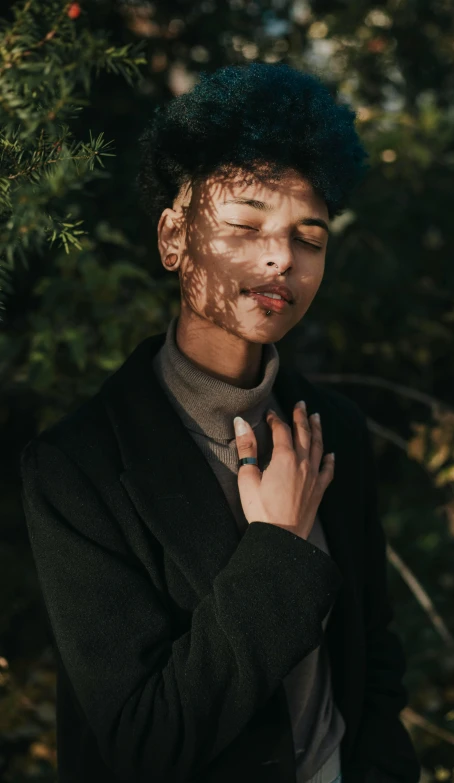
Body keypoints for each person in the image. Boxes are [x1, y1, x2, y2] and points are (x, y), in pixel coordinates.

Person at [19, 62, 421, 783]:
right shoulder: (76, 469)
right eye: (246, 225)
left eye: (312, 236)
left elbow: (373, 665)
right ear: (174, 236)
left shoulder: (336, 431)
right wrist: (275, 548)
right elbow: (140, 741)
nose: (281, 258)